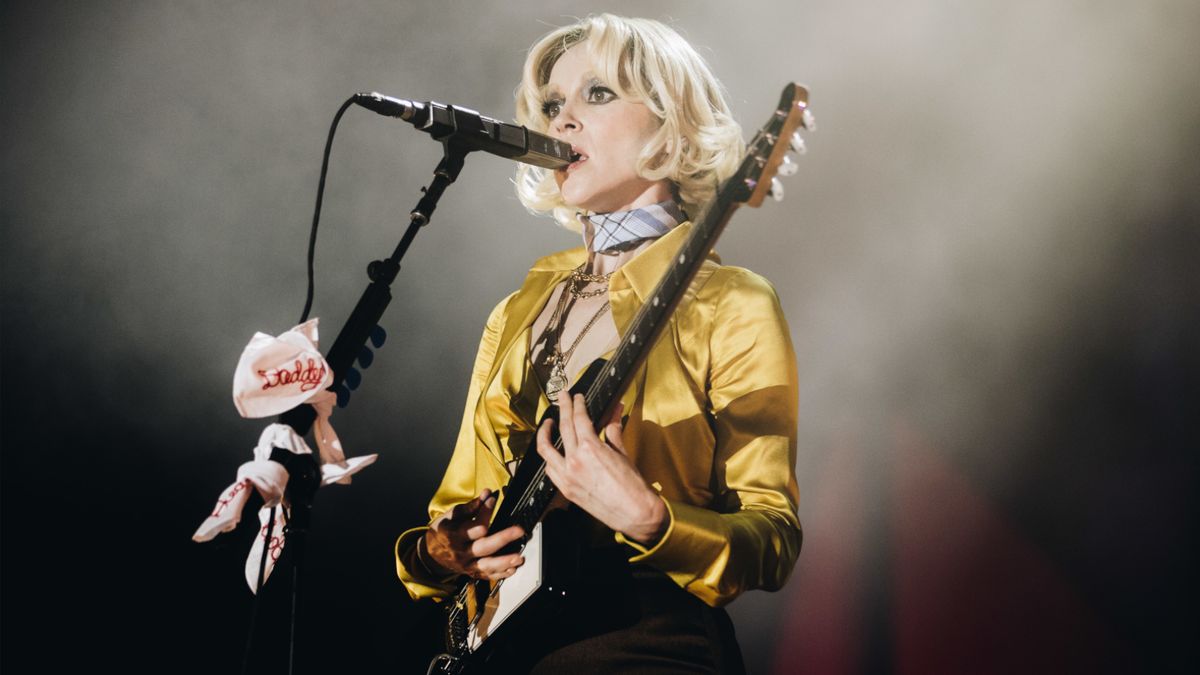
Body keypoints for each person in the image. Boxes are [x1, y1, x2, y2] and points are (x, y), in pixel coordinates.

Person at [394, 14, 801, 673]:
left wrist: (649, 517)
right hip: (507, 645)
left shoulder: (732, 301)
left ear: (672, 124)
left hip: (644, 641)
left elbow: (772, 541)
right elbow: (451, 512)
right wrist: (446, 549)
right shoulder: (519, 310)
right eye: (552, 104)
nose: (562, 121)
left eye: (599, 94)